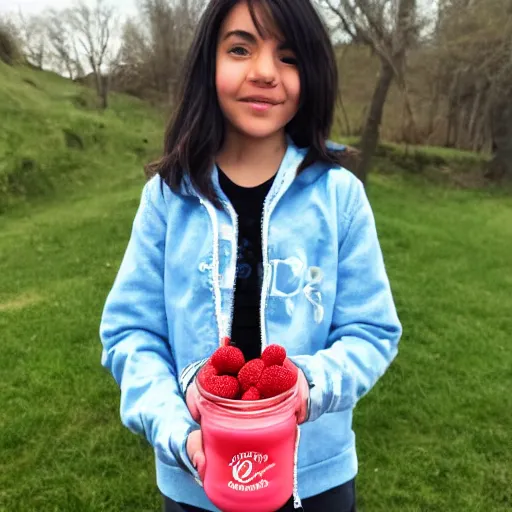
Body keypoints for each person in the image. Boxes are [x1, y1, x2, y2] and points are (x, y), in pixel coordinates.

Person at [99, 0, 402, 511]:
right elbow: (131, 335)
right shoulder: (167, 199)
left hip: (315, 483)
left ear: (312, 72)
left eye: (288, 56)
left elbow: (371, 331)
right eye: (240, 48)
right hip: (197, 479)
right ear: (208, 64)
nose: (264, 72)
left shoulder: (339, 197)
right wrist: (178, 432)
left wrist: (306, 384)